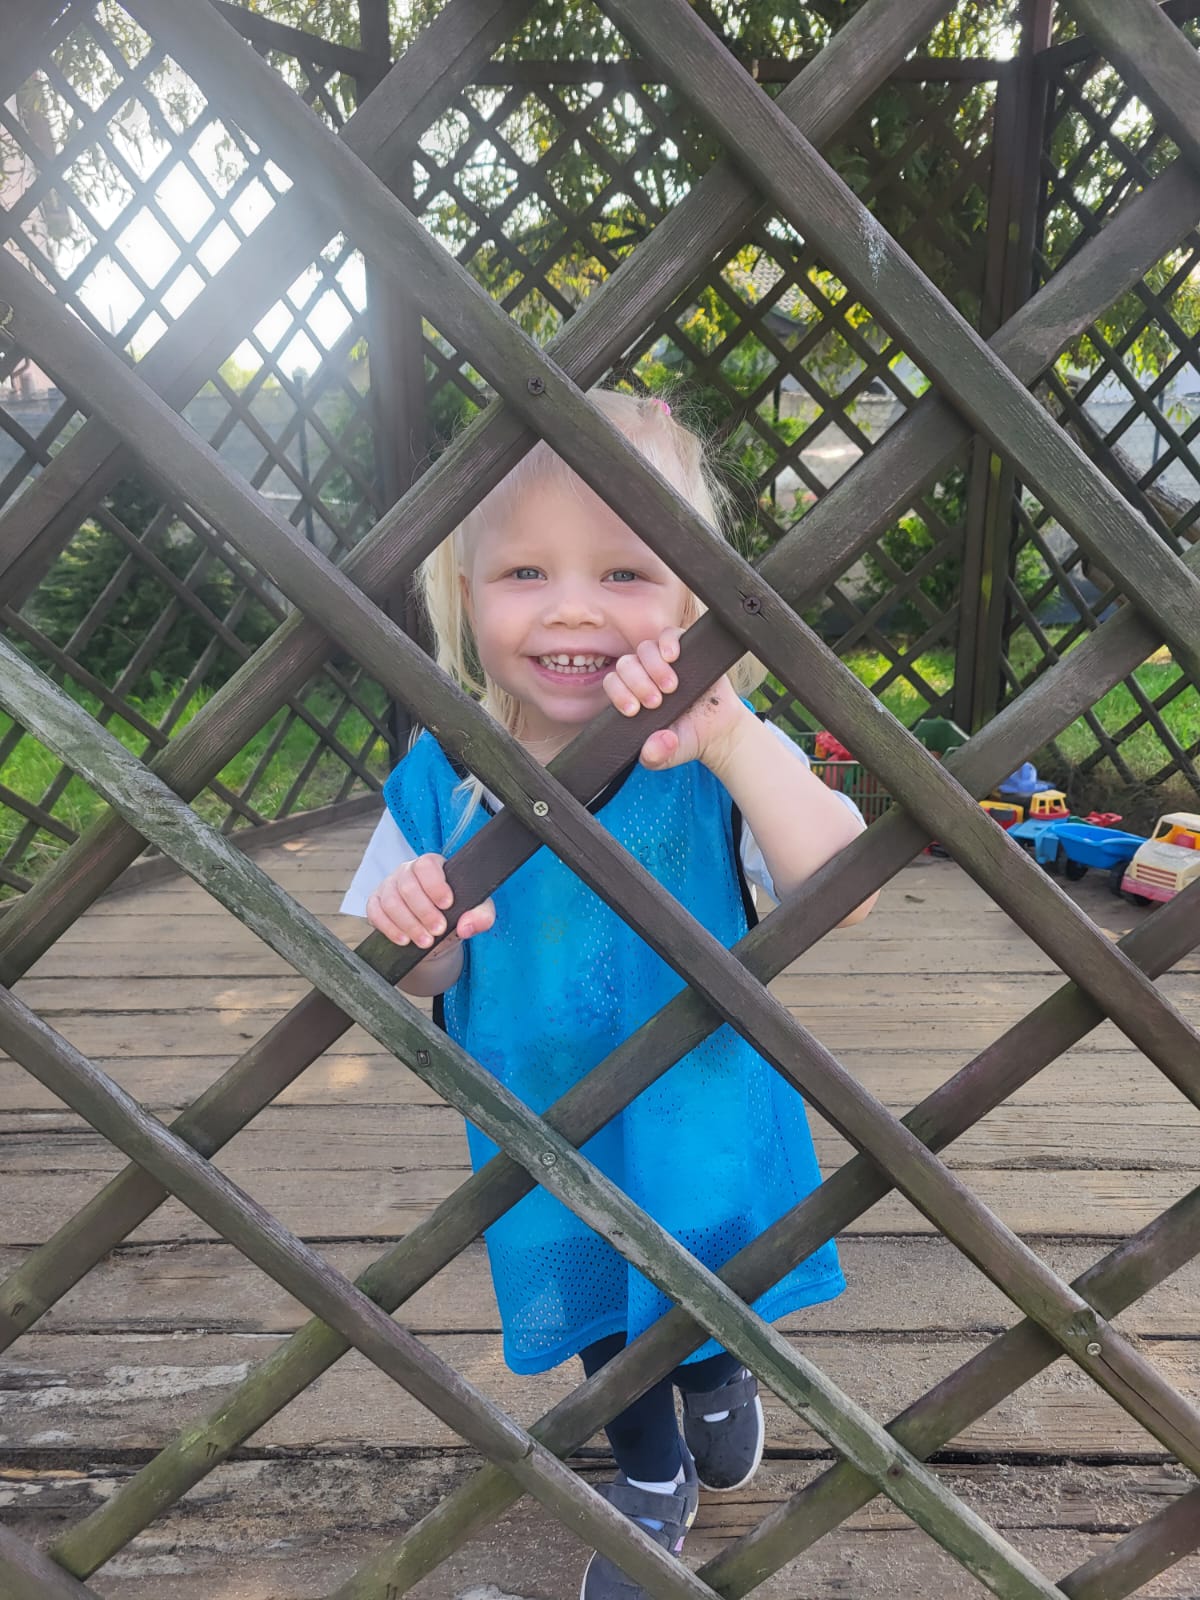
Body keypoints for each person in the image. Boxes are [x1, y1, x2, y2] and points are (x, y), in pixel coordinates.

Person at [341, 389, 877, 1597]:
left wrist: (734, 740)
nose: (573, 607)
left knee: (702, 1270)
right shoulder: (440, 777)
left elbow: (841, 884)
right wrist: (417, 927)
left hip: (696, 1102)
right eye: (525, 571)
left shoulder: (708, 750)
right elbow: (421, 978)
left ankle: (715, 1373)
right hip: (545, 1121)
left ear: (689, 600)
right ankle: (647, 1473)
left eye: (626, 572)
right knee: (591, 1293)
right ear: (465, 595)